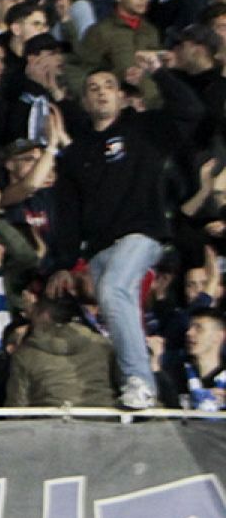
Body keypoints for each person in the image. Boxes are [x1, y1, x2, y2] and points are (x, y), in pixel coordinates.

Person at [47, 66, 201, 408]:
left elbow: (191, 111)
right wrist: (64, 263)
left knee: (113, 290)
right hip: (100, 248)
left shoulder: (145, 128)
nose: (101, 91)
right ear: (84, 101)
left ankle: (139, 382)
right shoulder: (76, 153)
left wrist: (159, 73)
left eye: (108, 85)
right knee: (119, 309)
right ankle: (146, 387)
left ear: (120, 95)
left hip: (143, 234)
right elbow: (68, 214)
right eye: (93, 87)